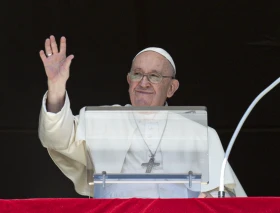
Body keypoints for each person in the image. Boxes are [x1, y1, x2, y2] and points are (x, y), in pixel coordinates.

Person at [38, 35, 246, 198]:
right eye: (137, 74)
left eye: (154, 76)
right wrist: (56, 88)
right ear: (129, 80)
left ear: (171, 88)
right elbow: (56, 139)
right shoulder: (101, 120)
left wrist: (199, 196)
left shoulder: (201, 134)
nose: (143, 83)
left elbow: (226, 196)